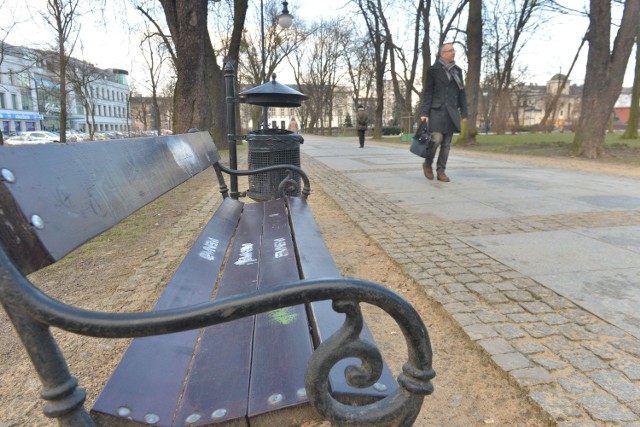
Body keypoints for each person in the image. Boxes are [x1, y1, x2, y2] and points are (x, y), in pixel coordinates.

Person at [420, 42, 468, 182]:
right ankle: (427, 163)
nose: (453, 52)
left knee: (446, 145)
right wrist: (425, 113)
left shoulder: (457, 71)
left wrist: (464, 112)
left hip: (451, 112)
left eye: (454, 50)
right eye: (450, 50)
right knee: (436, 140)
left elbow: (461, 93)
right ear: (442, 54)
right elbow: (428, 93)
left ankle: (441, 171)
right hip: (436, 111)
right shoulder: (433, 70)